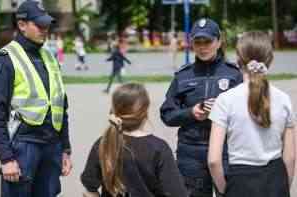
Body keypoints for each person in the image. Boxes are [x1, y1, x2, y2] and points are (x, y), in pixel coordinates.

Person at [0, 1, 72, 197]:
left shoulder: (50, 57)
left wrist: (65, 149)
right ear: (22, 25)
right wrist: (6, 159)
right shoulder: (5, 60)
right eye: (39, 25)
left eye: (47, 25)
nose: (45, 29)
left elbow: (60, 106)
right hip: (23, 146)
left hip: (51, 146)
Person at [160, 18, 243, 197]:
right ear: (192, 44)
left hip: (227, 151)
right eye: (198, 42)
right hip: (190, 153)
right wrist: (191, 113)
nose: (203, 47)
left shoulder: (234, 74)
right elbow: (167, 114)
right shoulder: (183, 76)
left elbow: (247, 114)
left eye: (208, 41)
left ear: (219, 42)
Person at [208, 31, 296, 197]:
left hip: (240, 181)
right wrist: (284, 186)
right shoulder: (284, 99)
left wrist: (224, 189)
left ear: (238, 60)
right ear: (270, 59)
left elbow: (213, 160)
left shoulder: (225, 100)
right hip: (276, 179)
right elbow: (290, 157)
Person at [81, 83, 188, 197]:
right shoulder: (159, 148)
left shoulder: (103, 143)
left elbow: (89, 190)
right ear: (145, 112)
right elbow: (177, 193)